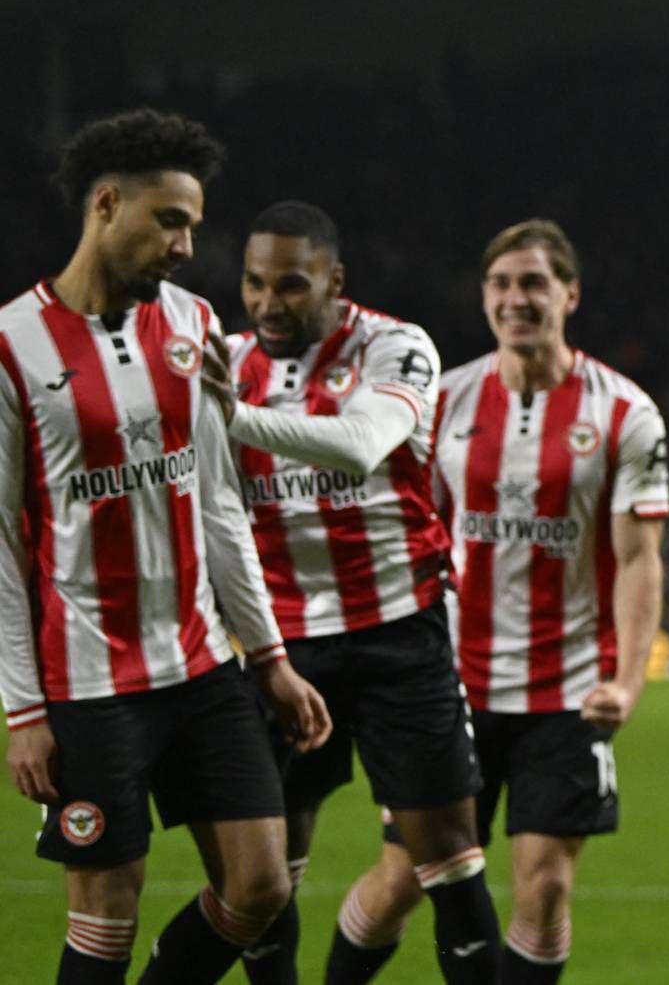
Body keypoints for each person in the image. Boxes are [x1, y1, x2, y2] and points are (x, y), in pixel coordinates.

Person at [0, 108, 331, 984]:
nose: (187, 245)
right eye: (170, 221)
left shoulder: (193, 324)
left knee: (261, 887)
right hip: (88, 683)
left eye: (193, 225)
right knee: (104, 920)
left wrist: (269, 657)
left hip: (200, 665)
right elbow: (0, 545)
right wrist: (24, 712)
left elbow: (219, 503)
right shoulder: (12, 346)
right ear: (106, 204)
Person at [332, 219, 669, 984]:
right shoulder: (444, 401)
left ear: (570, 295)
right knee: (402, 880)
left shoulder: (626, 414)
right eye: (501, 284)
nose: (516, 299)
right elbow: (406, 537)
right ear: (484, 296)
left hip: (568, 690)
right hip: (448, 685)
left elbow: (638, 560)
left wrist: (628, 681)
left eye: (534, 284)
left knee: (545, 889)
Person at [209, 201, 501, 984]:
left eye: (291, 285)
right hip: (278, 648)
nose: (268, 303)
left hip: (396, 633)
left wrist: (229, 416)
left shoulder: (394, 347)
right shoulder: (226, 359)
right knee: (263, 873)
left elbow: (361, 443)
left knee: (448, 858)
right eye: (255, 283)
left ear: (334, 280)